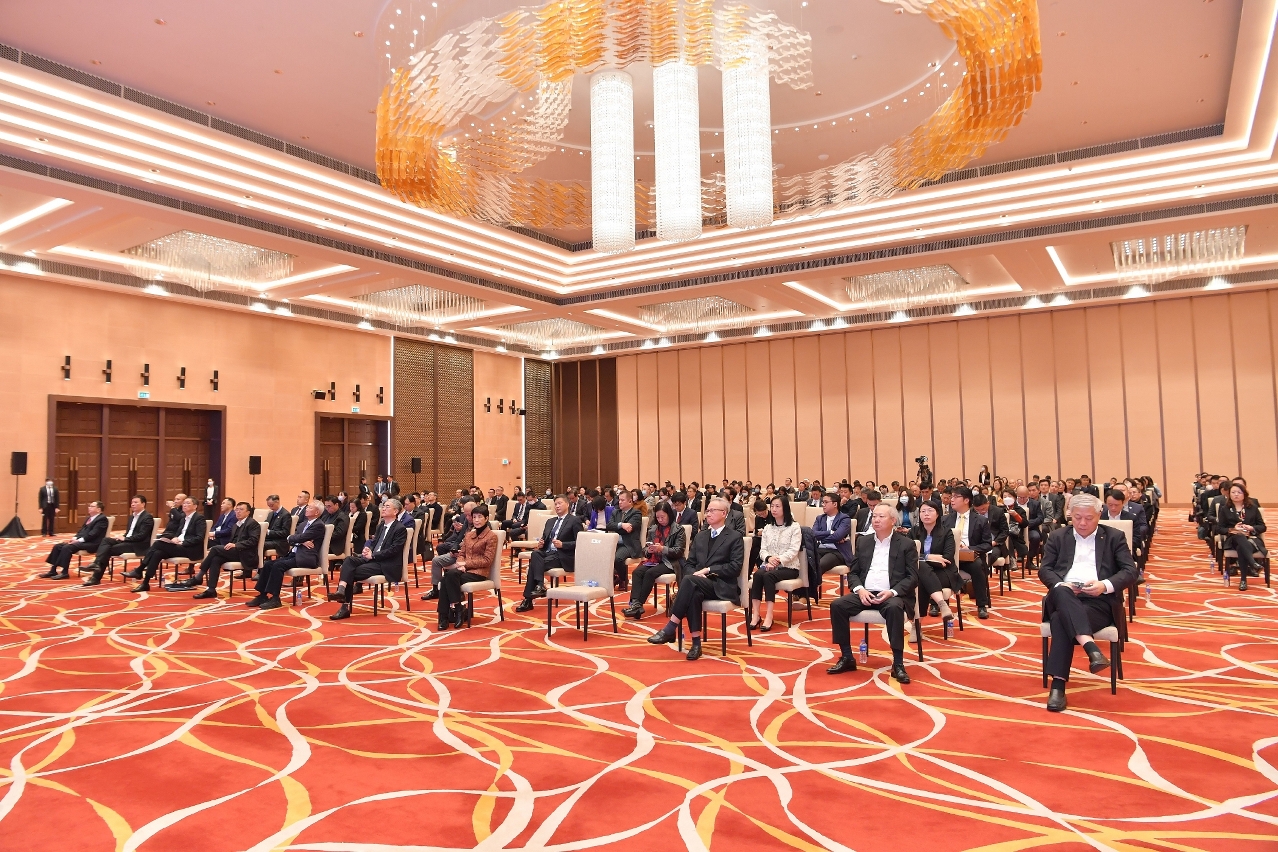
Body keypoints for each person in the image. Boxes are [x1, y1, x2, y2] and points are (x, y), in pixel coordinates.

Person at [1038, 493, 1138, 712]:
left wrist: (1104, 585)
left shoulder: (1114, 537)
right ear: (1070, 515)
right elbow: (1045, 570)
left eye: (1088, 518)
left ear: (1099, 515)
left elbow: (1130, 571)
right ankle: (1091, 648)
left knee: (1060, 620)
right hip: (1063, 595)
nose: (1082, 523)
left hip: (1097, 602)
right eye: (1077, 517)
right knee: (1062, 591)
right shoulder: (1057, 536)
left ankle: (1058, 687)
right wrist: (1062, 585)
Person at [826, 503, 919, 683]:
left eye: (881, 516)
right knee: (838, 606)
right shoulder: (863, 541)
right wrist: (860, 590)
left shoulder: (906, 544)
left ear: (893, 520)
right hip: (866, 592)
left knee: (894, 609)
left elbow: (912, 577)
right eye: (874, 516)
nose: (876, 520)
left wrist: (892, 592)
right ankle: (847, 657)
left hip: (892, 595)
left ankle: (898, 663)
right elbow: (853, 572)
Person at [646, 498, 745, 661]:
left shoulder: (734, 536)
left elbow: (735, 567)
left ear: (724, 513)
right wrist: (696, 574)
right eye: (707, 511)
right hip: (698, 582)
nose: (708, 514)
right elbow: (689, 563)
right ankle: (696, 644)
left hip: (721, 585)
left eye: (712, 510)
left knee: (689, 581)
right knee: (693, 591)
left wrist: (708, 570)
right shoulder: (700, 536)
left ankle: (671, 628)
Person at [328, 499, 409, 620]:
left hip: (386, 564)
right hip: (373, 559)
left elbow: (394, 550)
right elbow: (374, 542)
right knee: (349, 560)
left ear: (395, 511)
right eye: (383, 506)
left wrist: (374, 555)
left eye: (387, 506)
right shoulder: (381, 526)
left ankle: (344, 606)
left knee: (350, 571)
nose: (383, 508)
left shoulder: (400, 528)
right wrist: (368, 549)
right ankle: (341, 590)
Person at [168, 501, 260, 599]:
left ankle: (199, 576)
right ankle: (211, 590)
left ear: (248, 512)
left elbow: (253, 541)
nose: (238, 512)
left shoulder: (252, 523)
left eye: (241, 509)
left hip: (246, 554)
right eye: (237, 509)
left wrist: (235, 545)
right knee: (216, 559)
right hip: (236, 552)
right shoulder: (237, 524)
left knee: (215, 549)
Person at [247, 500, 325, 610]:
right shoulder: (303, 524)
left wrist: (298, 539)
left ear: (317, 512)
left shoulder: (319, 525)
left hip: (306, 557)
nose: (307, 509)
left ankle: (275, 598)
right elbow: (291, 538)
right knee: (268, 564)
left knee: (278, 566)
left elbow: (297, 537)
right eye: (307, 507)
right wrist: (301, 541)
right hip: (294, 554)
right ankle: (262, 595)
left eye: (310, 508)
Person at [515, 495, 583, 612]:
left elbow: (581, 542)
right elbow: (545, 539)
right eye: (555, 504)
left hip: (563, 556)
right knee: (535, 554)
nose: (557, 506)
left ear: (567, 504)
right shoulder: (550, 521)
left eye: (560, 503)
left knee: (534, 565)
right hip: (548, 552)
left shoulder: (574, 520)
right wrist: (542, 544)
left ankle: (528, 599)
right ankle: (540, 585)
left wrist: (563, 545)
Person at [436, 503, 499, 629]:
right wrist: (460, 564)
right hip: (463, 571)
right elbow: (462, 554)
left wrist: (466, 564)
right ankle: (453, 611)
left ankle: (448, 614)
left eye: (480, 517)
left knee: (447, 577)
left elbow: (487, 560)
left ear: (486, 518)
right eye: (474, 517)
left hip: (479, 572)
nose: (476, 520)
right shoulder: (469, 534)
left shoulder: (491, 536)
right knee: (446, 578)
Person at [127, 496, 206, 592]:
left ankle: (140, 569)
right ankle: (145, 583)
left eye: (188, 503)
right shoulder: (183, 518)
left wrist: (182, 542)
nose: (184, 505)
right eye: (184, 503)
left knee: (158, 544)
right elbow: (179, 533)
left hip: (190, 549)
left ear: (195, 506)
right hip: (179, 546)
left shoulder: (199, 518)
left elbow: (199, 537)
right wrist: (174, 538)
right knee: (157, 553)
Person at [749, 495, 802, 632]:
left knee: (768, 576)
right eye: (772, 506)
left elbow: (793, 551)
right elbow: (763, 550)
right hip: (769, 564)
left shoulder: (794, 527)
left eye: (777, 506)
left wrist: (776, 560)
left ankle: (769, 615)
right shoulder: (768, 528)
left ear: (785, 508)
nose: (774, 509)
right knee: (758, 575)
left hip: (789, 567)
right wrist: (768, 558)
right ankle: (756, 615)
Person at [623, 503, 685, 619]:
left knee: (649, 573)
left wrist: (662, 549)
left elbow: (679, 551)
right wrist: (649, 550)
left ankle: (638, 605)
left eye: (663, 517)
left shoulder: (678, 529)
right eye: (658, 517)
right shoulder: (653, 529)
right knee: (637, 572)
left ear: (669, 515)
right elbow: (645, 549)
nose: (660, 520)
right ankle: (635, 604)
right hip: (654, 559)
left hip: (670, 561)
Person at [82, 495, 154, 586]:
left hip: (138, 544)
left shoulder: (147, 517)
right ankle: (96, 563)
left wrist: (126, 539)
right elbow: (129, 532)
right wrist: (122, 537)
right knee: (106, 540)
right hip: (128, 541)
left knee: (107, 550)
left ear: (143, 504)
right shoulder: (132, 517)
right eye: (132, 502)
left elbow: (142, 536)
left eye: (136, 502)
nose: (133, 504)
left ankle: (96, 577)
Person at [909, 501, 957, 628]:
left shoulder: (947, 533)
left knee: (921, 577)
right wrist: (928, 557)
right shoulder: (913, 532)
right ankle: (942, 604)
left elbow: (946, 558)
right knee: (922, 571)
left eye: (930, 511)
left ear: (937, 514)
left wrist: (921, 559)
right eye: (923, 511)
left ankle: (916, 625)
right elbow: (908, 555)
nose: (926, 514)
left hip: (943, 573)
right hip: (922, 572)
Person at [948, 486, 993, 619]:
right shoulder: (946, 520)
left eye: (956, 497)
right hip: (950, 556)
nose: (952, 500)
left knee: (978, 566)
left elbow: (987, 544)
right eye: (951, 497)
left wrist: (969, 548)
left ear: (966, 500)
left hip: (969, 557)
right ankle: (935, 603)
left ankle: (981, 605)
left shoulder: (980, 520)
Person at [1215, 483, 1266, 590]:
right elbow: (1219, 529)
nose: (1236, 494)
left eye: (1239, 492)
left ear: (1244, 494)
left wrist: (1251, 528)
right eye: (1233, 492)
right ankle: (1253, 563)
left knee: (1241, 548)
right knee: (1239, 535)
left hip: (1252, 540)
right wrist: (1233, 529)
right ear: (1229, 494)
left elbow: (1262, 527)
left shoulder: (1253, 508)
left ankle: (1243, 580)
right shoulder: (1225, 509)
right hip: (1233, 540)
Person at [421, 500, 474, 601]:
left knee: (455, 567)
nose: (468, 517)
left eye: (470, 515)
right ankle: (436, 590)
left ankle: (457, 591)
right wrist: (454, 549)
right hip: (460, 553)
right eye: (466, 515)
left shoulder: (483, 526)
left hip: (470, 557)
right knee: (436, 561)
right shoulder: (467, 521)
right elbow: (458, 539)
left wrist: (461, 552)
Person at [40, 500, 108, 579]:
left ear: (98, 509)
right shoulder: (89, 518)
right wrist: (74, 538)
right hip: (83, 541)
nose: (89, 507)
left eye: (92, 506)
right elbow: (81, 531)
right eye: (89, 506)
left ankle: (64, 572)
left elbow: (93, 534)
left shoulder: (102, 519)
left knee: (67, 547)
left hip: (93, 544)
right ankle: (53, 570)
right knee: (58, 546)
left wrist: (78, 540)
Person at [811, 493, 853, 582]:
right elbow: (813, 533)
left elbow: (837, 536)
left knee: (820, 565)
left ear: (835, 504)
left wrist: (821, 540)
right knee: (807, 563)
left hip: (837, 551)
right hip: (820, 549)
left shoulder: (844, 518)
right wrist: (830, 532)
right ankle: (806, 589)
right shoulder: (820, 518)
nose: (823, 505)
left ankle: (810, 589)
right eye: (823, 502)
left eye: (826, 502)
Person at [607, 489, 643, 589]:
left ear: (630, 501)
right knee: (602, 555)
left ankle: (623, 579)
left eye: (622, 500)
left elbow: (629, 529)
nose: (620, 502)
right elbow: (609, 525)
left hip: (628, 544)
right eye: (619, 500)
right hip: (615, 543)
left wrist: (617, 527)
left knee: (617, 558)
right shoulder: (616, 512)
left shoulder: (636, 513)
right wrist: (621, 525)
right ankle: (614, 577)